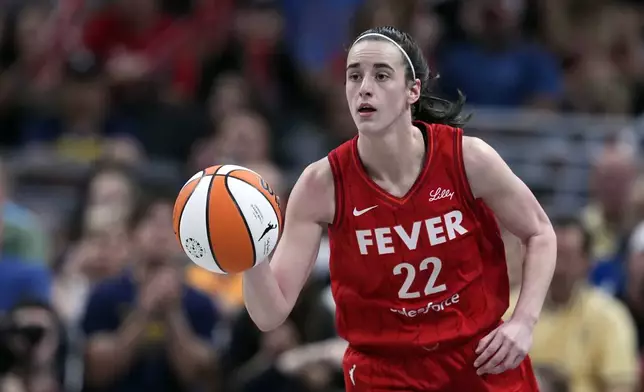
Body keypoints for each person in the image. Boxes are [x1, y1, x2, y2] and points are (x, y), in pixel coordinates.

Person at [242, 25, 557, 391]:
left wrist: (524, 321)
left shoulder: (468, 158)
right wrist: (249, 254)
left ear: (413, 90)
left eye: (381, 75)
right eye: (354, 76)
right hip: (386, 373)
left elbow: (540, 232)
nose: (364, 87)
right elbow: (270, 314)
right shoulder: (320, 185)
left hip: (481, 358)